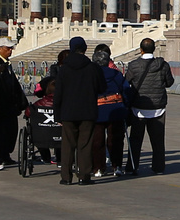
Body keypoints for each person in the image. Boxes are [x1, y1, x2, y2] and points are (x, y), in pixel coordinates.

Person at [49, 36, 105, 185]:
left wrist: (57, 115)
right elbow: (102, 88)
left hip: (68, 112)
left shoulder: (64, 69)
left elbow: (58, 93)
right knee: (85, 145)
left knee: (68, 145)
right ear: (85, 49)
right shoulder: (92, 67)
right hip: (87, 111)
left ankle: (66, 177)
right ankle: (84, 176)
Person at [124, 38, 173, 176]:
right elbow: (169, 82)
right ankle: (158, 168)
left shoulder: (134, 65)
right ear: (154, 49)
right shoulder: (163, 65)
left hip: (138, 108)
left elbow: (126, 81)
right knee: (157, 140)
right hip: (158, 107)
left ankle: (132, 167)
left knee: (135, 140)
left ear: (141, 49)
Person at [0, 39, 26, 168]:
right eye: (8, 48)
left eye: (11, 48)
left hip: (10, 105)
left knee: (11, 131)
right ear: (0, 48)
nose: (10, 51)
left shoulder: (7, 64)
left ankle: (6, 154)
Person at [90, 45, 127, 179]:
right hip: (116, 109)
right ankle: (116, 166)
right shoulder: (117, 74)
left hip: (97, 110)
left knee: (97, 140)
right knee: (115, 140)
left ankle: (98, 168)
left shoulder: (91, 75)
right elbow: (126, 91)